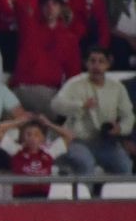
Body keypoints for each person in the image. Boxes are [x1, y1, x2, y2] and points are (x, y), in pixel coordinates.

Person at [50, 45, 134, 176]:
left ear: (108, 64)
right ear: (86, 64)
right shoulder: (75, 83)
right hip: (77, 140)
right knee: (85, 163)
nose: (96, 66)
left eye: (101, 61)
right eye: (93, 61)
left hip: (105, 142)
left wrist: (120, 128)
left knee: (124, 165)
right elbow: (55, 105)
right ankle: (84, 196)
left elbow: (128, 116)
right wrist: (81, 106)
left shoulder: (117, 88)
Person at [14, 0, 83, 115]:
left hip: (48, 92)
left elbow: (73, 74)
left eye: (54, 4)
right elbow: (19, 1)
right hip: (22, 88)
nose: (50, 8)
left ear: (61, 8)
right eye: (46, 4)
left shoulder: (69, 38)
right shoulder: (30, 26)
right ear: (40, 7)